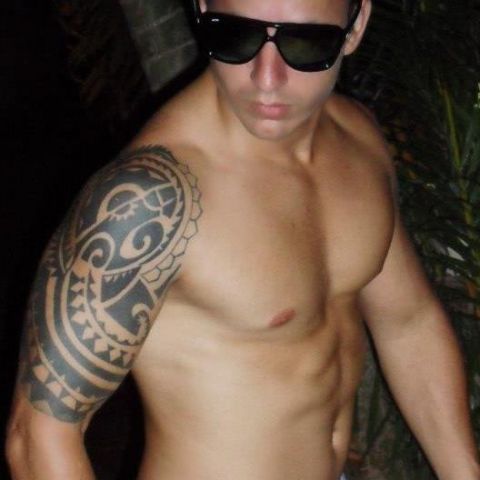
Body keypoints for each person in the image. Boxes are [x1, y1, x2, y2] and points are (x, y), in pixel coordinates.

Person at [6, 0, 480, 478]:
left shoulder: (358, 141)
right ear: (202, 8)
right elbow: (39, 436)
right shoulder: (150, 200)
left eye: (305, 43)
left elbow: (408, 322)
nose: (266, 78)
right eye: (235, 35)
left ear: (355, 26)